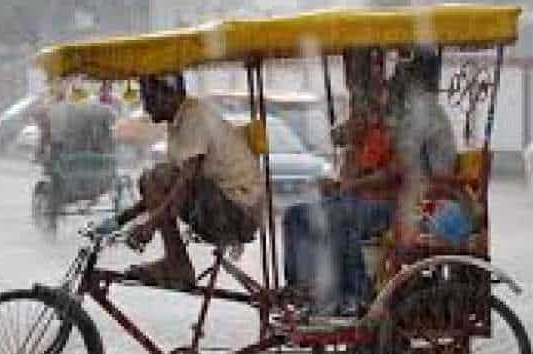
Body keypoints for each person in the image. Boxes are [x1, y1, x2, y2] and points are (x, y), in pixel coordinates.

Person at [282, 48, 462, 315]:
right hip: (379, 196)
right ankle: (304, 287)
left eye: (399, 78)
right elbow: (354, 151)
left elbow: (396, 171)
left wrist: (352, 185)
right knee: (295, 215)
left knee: (341, 217)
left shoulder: (420, 115)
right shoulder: (395, 118)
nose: (391, 86)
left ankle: (355, 294)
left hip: (409, 203)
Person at [105, 74, 264, 289]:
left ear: (169, 94)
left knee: (157, 175)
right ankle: (176, 260)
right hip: (221, 205)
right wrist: (120, 220)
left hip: (236, 213)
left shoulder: (194, 117)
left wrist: (151, 224)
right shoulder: (178, 121)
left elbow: (185, 181)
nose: (146, 107)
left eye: (150, 99)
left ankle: (177, 263)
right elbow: (160, 191)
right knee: (150, 179)